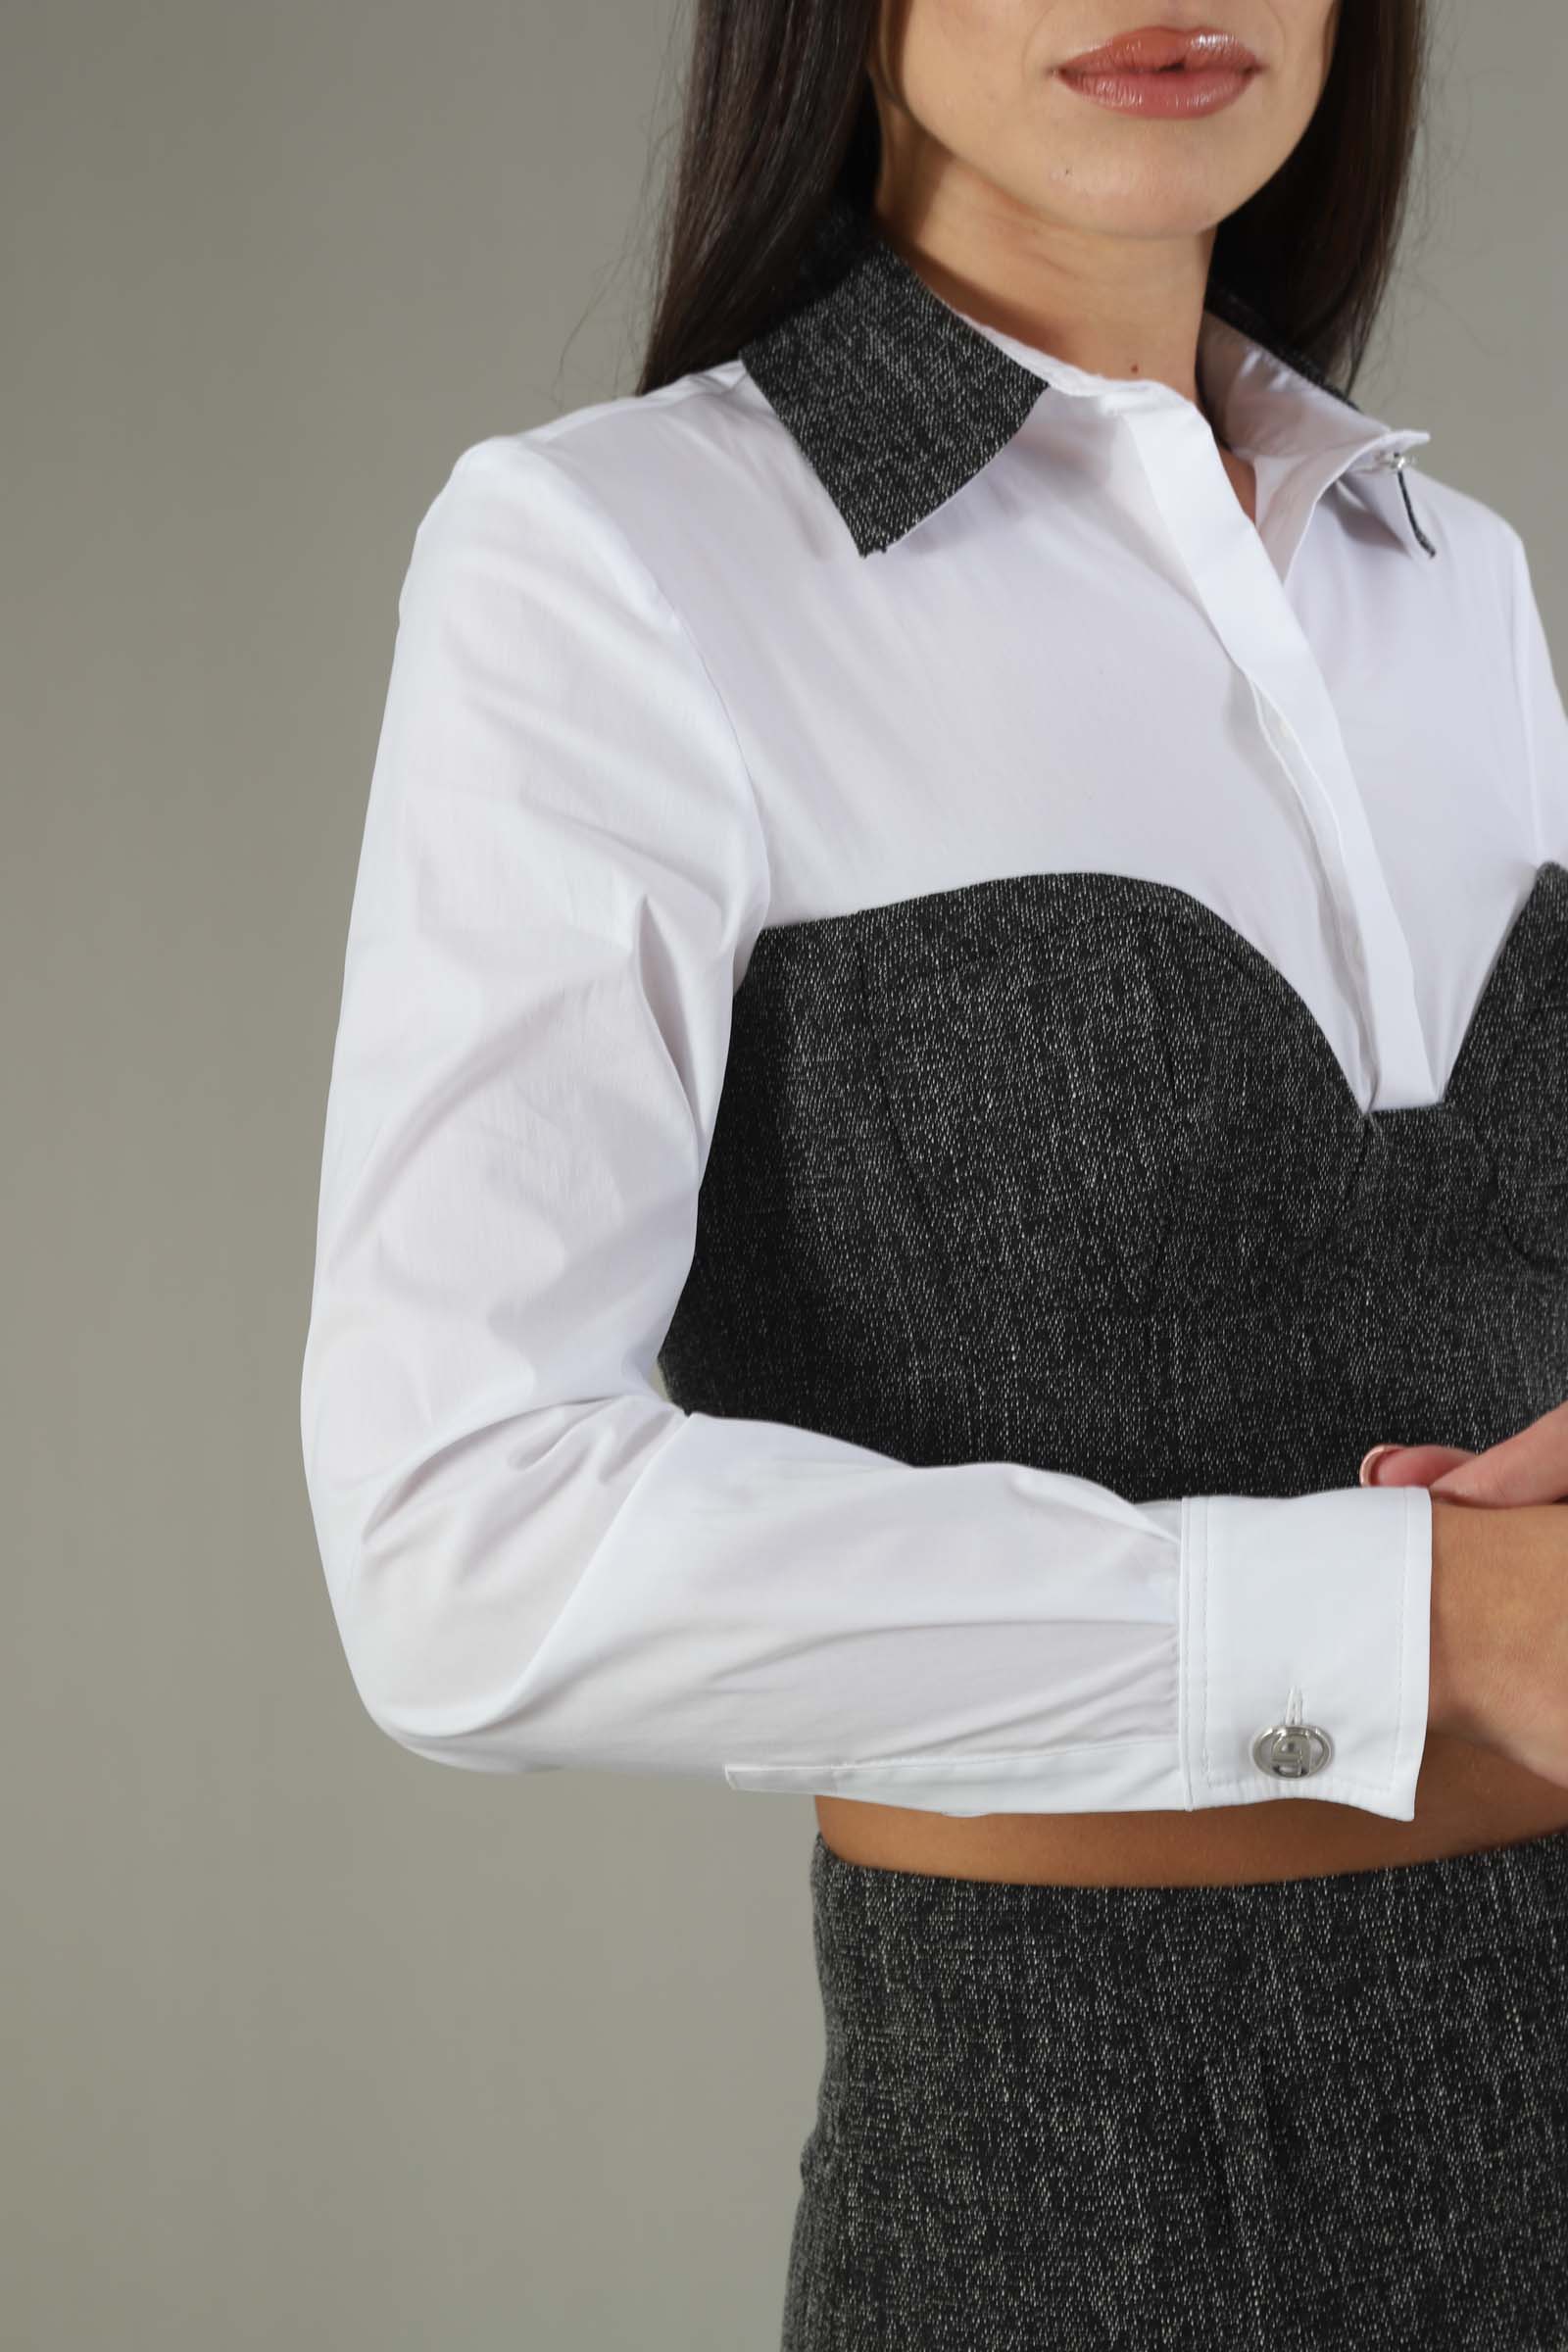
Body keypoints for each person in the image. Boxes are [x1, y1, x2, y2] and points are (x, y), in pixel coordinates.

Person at [299, 0, 1568, 2339]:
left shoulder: (1446, 574)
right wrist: (1427, 1625)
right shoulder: (617, 556)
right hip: (1085, 2196)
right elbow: (459, 1549)